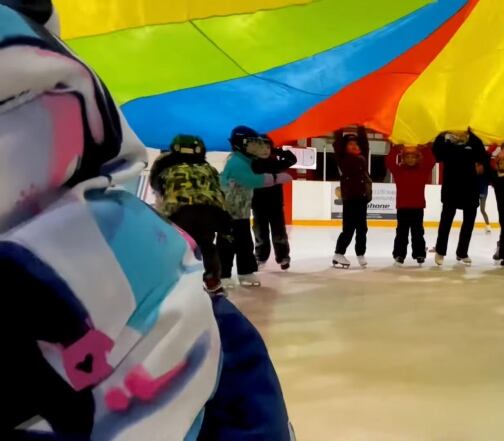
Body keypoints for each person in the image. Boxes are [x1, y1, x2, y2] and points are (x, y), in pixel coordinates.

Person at [1, 3, 294, 439]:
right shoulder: (225, 166)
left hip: (184, 233)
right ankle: (216, 276)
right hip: (195, 231)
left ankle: (219, 274)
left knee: (220, 250)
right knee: (215, 252)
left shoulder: (186, 170)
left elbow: (158, 182)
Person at [150, 135, 231, 294]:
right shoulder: (207, 167)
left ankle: (176, 282)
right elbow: (218, 189)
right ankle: (212, 280)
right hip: (209, 211)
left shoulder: (165, 165)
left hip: (179, 212)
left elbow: (156, 185)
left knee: (178, 247)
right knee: (207, 246)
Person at [219, 127, 293, 288]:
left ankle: (245, 271)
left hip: (242, 212)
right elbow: (252, 180)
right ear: (241, 144)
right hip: (229, 213)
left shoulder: (247, 160)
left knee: (245, 243)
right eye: (252, 143)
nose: (257, 147)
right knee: (227, 245)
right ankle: (223, 274)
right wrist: (276, 178)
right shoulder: (237, 162)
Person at [432, 130, 490, 266]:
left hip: (470, 188)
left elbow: (485, 158)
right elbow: (437, 156)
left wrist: (482, 166)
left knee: (469, 223)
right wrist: (440, 136)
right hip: (451, 188)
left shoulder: (474, 140)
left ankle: (462, 252)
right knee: (446, 221)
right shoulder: (445, 140)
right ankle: (440, 251)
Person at [250, 135, 298, 270]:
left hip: (275, 204)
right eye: (261, 147)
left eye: (267, 147)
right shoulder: (253, 164)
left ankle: (283, 257)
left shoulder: (275, 163)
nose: (265, 150)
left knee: (279, 232)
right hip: (258, 205)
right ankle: (260, 257)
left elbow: (292, 159)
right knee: (260, 233)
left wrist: (277, 151)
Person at [386, 145, 436, 265]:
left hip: (417, 207)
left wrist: (422, 146)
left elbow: (431, 161)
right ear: (403, 158)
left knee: (418, 233)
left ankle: (419, 254)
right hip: (403, 207)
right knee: (401, 233)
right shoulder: (398, 171)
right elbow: (389, 161)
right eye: (407, 157)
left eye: (413, 157)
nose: (410, 159)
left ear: (417, 158)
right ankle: (399, 254)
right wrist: (398, 146)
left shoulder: (422, 171)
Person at [332, 126, 372, 268]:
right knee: (348, 228)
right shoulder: (342, 159)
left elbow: (364, 143)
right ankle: (338, 253)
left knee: (362, 228)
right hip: (350, 199)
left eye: (356, 144)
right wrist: (339, 125)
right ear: (345, 147)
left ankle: (360, 253)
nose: (354, 146)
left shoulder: (363, 157)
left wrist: (361, 126)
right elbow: (337, 143)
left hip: (362, 199)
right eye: (350, 144)